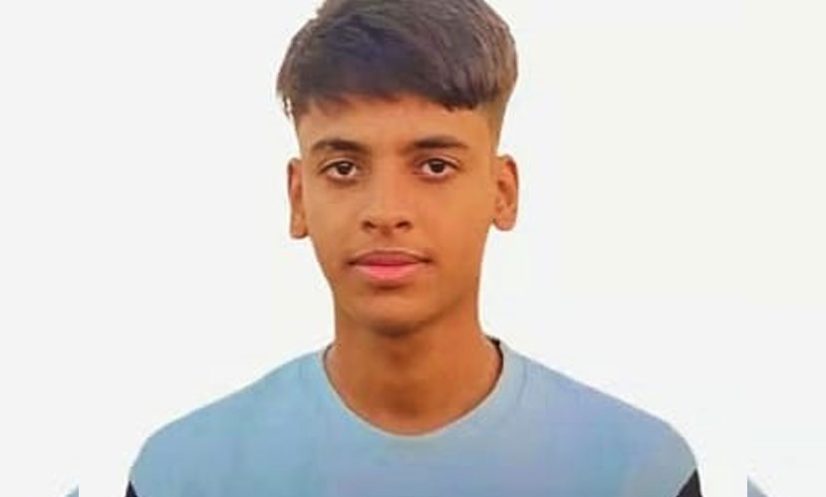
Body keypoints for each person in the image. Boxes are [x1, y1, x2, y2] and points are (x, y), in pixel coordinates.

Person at [125, 1, 703, 496]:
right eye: (344, 167)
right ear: (299, 198)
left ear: (502, 193)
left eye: (434, 166)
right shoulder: (182, 477)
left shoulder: (637, 473)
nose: (385, 212)